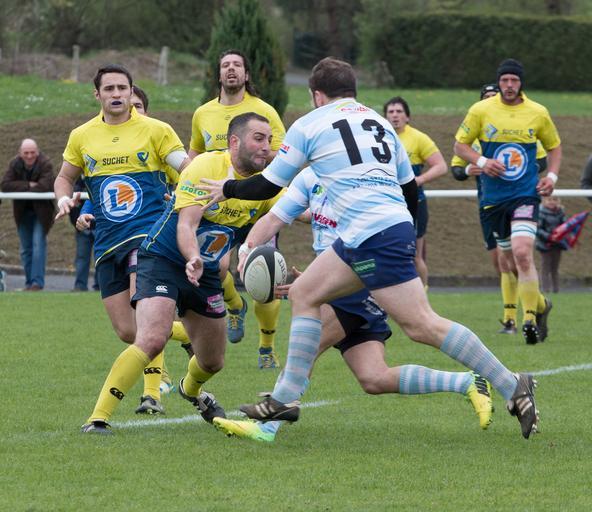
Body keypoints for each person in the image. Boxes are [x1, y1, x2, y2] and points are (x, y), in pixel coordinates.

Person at [198, 57, 540, 440]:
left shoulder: (310, 123)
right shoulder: (381, 124)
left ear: (316, 94)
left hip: (372, 234)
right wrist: (401, 233)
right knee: (306, 293)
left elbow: (266, 185)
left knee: (421, 324)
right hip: (375, 232)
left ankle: (511, 383)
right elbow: (409, 190)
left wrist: (227, 188)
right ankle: (283, 402)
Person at [213, 166, 494, 442]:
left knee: (306, 351)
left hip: (360, 279)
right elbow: (275, 218)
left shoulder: (360, 178)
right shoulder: (307, 178)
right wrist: (248, 251)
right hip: (335, 282)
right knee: (374, 378)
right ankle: (467, 381)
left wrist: (316, 285)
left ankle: (266, 427)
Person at [78, 112, 284, 434]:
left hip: (206, 274)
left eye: (269, 140)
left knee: (212, 361)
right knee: (151, 338)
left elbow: (294, 211)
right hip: (163, 259)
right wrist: (193, 257)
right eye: (258, 138)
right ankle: (98, 419)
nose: (266, 146)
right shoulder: (206, 167)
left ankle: (190, 389)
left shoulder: (267, 185)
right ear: (234, 141)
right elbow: (187, 224)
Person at [54, 64, 190, 420]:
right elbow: (64, 177)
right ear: (97, 94)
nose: (116, 94)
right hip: (107, 243)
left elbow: (186, 168)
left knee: (145, 323)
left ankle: (141, 398)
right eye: (109, 88)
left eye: (122, 88)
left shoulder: (156, 130)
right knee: (128, 331)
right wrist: (63, 199)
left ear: (131, 92)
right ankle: (188, 333)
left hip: (147, 238)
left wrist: (190, 191)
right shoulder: (82, 135)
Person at [189, 49, 287, 368]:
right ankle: (234, 305)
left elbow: (284, 156)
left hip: (258, 204)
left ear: (246, 74)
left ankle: (266, 348)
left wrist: (254, 158)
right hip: (217, 205)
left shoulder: (264, 111)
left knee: (265, 274)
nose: (231, 70)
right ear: (218, 74)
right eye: (225, 65)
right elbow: (194, 155)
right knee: (215, 268)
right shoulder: (203, 113)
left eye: (237, 65)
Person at [454, 58, 561, 345]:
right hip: (493, 200)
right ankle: (541, 305)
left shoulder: (537, 112)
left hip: (525, 195)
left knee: (523, 252)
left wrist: (551, 176)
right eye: (505, 80)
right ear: (499, 82)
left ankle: (528, 321)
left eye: (514, 80)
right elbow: (459, 146)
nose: (509, 85)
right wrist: (482, 161)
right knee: (510, 262)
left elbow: (554, 147)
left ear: (521, 82)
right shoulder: (480, 110)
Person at [383, 96, 447, 288]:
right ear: (385, 117)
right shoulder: (379, 138)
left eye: (399, 111)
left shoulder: (418, 138)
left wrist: (418, 180)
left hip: (414, 203)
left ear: (407, 117)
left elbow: (441, 166)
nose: (395, 115)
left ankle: (423, 294)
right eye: (391, 112)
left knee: (414, 255)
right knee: (387, 254)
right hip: (386, 205)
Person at [1, 139, 55, 290]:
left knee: (38, 245)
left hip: (42, 214)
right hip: (22, 212)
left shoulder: (46, 164)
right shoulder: (14, 164)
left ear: (37, 152)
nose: (29, 156)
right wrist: (28, 185)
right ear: (20, 153)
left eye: (32, 152)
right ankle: (29, 283)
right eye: (26, 153)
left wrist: (19, 187)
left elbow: (45, 186)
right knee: (25, 249)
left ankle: (37, 283)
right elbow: (5, 185)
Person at [69, 177, 98, 291]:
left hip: (100, 227)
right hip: (82, 228)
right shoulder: (75, 181)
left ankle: (100, 285)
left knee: (101, 257)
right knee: (81, 257)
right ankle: (80, 285)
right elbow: (72, 209)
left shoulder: (98, 177)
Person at [536, 195, 568, 293]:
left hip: (557, 244)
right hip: (545, 244)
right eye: (549, 200)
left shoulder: (561, 213)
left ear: (558, 201)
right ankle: (545, 289)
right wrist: (549, 236)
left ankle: (556, 289)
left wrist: (561, 235)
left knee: (555, 267)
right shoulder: (540, 213)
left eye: (554, 199)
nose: (552, 202)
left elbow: (565, 226)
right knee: (545, 267)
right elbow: (538, 229)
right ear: (544, 201)